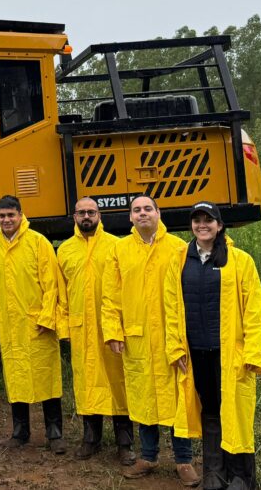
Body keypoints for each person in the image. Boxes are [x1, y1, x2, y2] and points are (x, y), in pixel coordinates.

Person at [165, 202, 261, 490]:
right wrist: (176, 348)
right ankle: (214, 473)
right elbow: (171, 307)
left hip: (230, 353)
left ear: (219, 225)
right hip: (196, 352)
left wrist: (254, 352)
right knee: (209, 410)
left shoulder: (240, 260)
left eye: (208, 220)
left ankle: (241, 476)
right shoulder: (179, 261)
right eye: (197, 220)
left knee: (235, 411)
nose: (202, 225)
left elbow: (254, 310)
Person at [102, 195, 198, 486]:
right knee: (143, 398)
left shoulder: (179, 248)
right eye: (137, 210)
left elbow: (190, 292)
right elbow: (110, 295)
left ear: (158, 213)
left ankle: (184, 460)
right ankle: (148, 456)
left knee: (178, 398)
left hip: (172, 338)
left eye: (147, 209)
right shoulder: (119, 250)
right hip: (137, 337)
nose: (142, 213)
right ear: (130, 217)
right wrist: (113, 331)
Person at [0, 195, 68, 454]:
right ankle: (20, 432)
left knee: (46, 376)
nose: (7, 220)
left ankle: (55, 433)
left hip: (37, 324)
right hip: (9, 324)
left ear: (20, 215)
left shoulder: (38, 242)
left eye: (11, 215)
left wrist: (47, 317)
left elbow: (52, 284)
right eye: (2, 216)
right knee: (16, 377)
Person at [56, 197, 134, 464]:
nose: (86, 216)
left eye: (91, 212)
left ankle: (125, 442)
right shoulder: (65, 250)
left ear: (100, 215)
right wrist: (64, 326)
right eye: (81, 213)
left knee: (118, 382)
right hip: (82, 328)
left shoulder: (116, 245)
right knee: (86, 382)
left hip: (111, 328)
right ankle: (91, 439)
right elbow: (62, 293)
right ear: (74, 217)